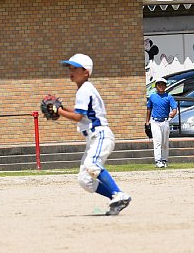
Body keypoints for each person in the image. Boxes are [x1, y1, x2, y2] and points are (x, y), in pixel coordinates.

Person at [55, 54, 132, 216]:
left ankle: (119, 194)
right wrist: (63, 108)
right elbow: (79, 112)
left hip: (100, 135)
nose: (71, 71)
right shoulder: (84, 89)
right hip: (94, 138)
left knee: (92, 164)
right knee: (85, 179)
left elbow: (78, 117)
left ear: (86, 72)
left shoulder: (84, 89)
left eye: (75, 68)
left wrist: (59, 111)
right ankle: (117, 198)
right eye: (70, 68)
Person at [145, 78, 178, 168]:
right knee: (157, 141)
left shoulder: (169, 97)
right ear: (156, 86)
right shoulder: (152, 97)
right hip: (155, 121)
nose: (161, 86)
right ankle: (158, 160)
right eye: (159, 85)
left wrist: (173, 113)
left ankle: (164, 160)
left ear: (165, 86)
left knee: (165, 142)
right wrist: (147, 121)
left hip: (165, 121)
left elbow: (174, 108)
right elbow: (149, 109)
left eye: (163, 85)